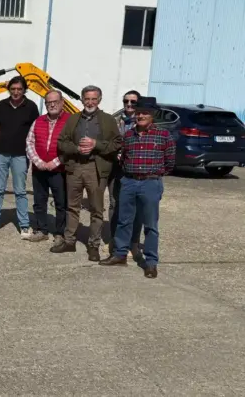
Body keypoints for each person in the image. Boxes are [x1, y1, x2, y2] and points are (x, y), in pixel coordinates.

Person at [99, 97, 175, 278]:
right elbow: (123, 159)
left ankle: (151, 262)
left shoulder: (163, 135)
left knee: (150, 225)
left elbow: (170, 162)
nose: (140, 116)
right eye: (139, 113)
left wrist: (154, 176)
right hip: (129, 182)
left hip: (151, 183)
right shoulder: (128, 136)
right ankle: (120, 254)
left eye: (145, 113)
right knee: (124, 221)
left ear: (152, 115)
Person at [53, 85, 122, 261]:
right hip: (75, 167)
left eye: (94, 99)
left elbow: (117, 143)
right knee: (72, 206)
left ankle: (93, 245)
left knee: (96, 209)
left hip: (95, 168)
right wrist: (76, 149)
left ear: (99, 100)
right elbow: (61, 142)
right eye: (87, 99)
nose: (90, 102)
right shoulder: (73, 119)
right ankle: (69, 241)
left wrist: (95, 144)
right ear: (82, 99)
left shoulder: (108, 120)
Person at [0, 76, 39, 239]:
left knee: (20, 191)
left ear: (24, 90)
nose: (16, 92)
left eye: (19, 89)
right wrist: (5, 140)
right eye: (13, 89)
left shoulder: (31, 107)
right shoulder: (1, 105)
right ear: (9, 90)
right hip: (1, 153)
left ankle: (24, 224)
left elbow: (34, 130)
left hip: (21, 155)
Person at [25, 90, 70, 243]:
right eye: (48, 102)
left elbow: (72, 146)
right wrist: (38, 162)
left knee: (61, 203)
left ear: (62, 102)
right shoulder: (38, 121)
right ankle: (42, 230)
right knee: (39, 201)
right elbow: (29, 142)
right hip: (39, 169)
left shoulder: (70, 121)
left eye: (55, 102)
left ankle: (60, 233)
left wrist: (55, 162)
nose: (52, 105)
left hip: (60, 170)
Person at [106, 90, 144, 261]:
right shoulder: (114, 120)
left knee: (134, 207)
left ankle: (133, 242)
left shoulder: (143, 121)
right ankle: (115, 240)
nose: (129, 105)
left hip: (135, 170)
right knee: (115, 204)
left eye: (133, 102)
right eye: (126, 101)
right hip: (116, 168)